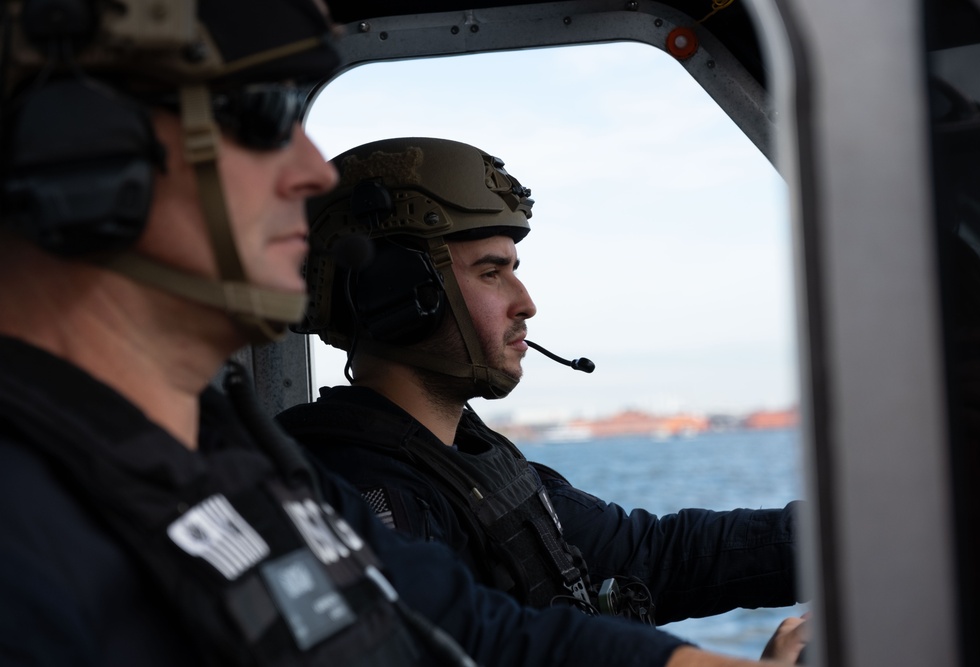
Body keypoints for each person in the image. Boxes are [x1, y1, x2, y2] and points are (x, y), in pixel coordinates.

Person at [0, 2, 803, 666]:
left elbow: (487, 627)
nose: (312, 172)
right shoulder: (29, 525)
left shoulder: (234, 458)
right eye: (264, 115)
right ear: (84, 155)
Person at [280, 136, 802, 627]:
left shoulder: (472, 458)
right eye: (491, 272)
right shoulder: (362, 499)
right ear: (395, 293)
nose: (525, 302)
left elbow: (651, 556)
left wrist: (843, 532)